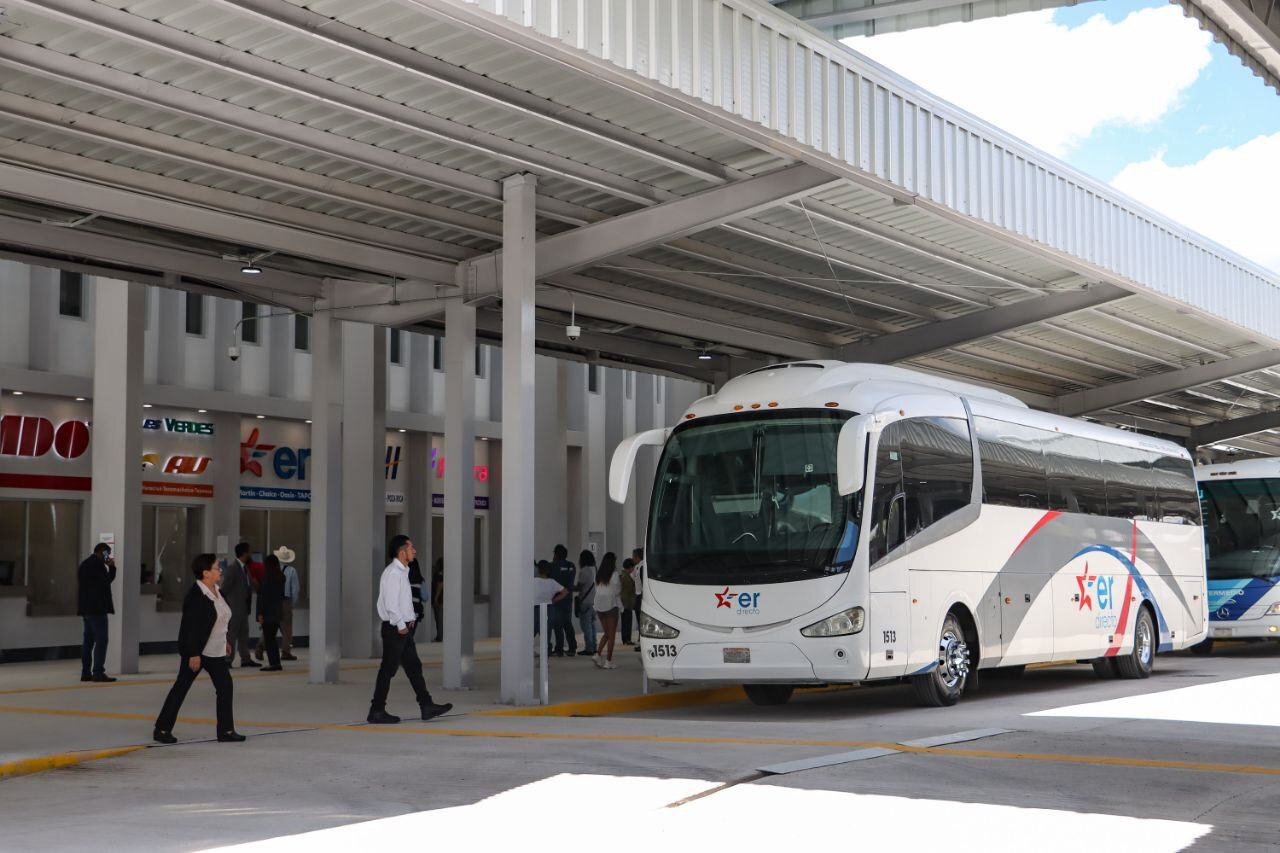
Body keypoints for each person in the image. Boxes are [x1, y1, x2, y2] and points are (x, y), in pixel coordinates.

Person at [153, 553, 245, 744]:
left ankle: (226, 731)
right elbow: (189, 628)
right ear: (206, 573)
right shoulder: (196, 596)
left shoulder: (218, 592)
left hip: (216, 652)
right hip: (197, 652)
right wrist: (193, 654)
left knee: (225, 687)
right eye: (216, 567)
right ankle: (162, 729)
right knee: (181, 688)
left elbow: (220, 620)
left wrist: (225, 642)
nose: (220, 570)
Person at [368, 535, 452, 725]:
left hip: (403, 629)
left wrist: (411, 618)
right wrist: (401, 626)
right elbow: (391, 605)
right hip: (395, 630)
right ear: (401, 551)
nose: (414, 550)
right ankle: (376, 710)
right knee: (388, 670)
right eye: (411, 547)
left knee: (414, 667)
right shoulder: (393, 573)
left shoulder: (403, 572)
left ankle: (426, 705)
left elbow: (403, 601)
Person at [77, 543, 117, 683]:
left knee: (88, 641)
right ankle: (98, 672)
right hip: (97, 609)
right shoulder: (97, 565)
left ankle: (85, 672)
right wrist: (112, 567)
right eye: (107, 553)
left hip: (86, 609)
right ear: (102, 552)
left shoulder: (84, 564)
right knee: (101, 639)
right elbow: (106, 582)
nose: (108, 556)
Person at [221, 542, 259, 668]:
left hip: (243, 608)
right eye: (249, 551)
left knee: (244, 635)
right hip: (234, 608)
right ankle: (227, 659)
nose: (250, 554)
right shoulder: (233, 568)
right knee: (231, 635)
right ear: (244, 553)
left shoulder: (245, 568)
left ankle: (245, 659)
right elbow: (224, 589)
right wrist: (228, 605)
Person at [592, 552, 623, 669]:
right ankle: (608, 661)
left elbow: (597, 589)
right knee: (611, 635)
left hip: (599, 606)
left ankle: (597, 654)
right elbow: (617, 591)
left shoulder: (598, 574)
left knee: (607, 633)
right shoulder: (614, 574)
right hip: (611, 606)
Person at [256, 555, 285, 671]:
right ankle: (276, 662)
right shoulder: (280, 577)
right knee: (272, 638)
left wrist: (260, 613)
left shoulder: (267, 578)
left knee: (269, 639)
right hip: (277, 612)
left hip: (267, 613)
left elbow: (263, 597)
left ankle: (273, 663)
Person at [548, 545, 577, 657]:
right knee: (567, 624)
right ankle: (572, 647)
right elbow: (570, 584)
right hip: (568, 599)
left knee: (557, 625)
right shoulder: (571, 566)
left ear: (555, 554)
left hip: (556, 599)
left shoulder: (552, 566)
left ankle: (559, 649)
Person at [278, 547, 300, 661]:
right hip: (286, 601)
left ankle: (260, 647)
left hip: (274, 601)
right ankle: (285, 652)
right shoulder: (292, 571)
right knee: (287, 628)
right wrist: (292, 604)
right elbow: (295, 590)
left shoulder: (274, 569)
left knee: (271, 626)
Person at [575, 550, 598, 657]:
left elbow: (580, 587)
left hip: (585, 601)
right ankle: (594, 646)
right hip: (595, 601)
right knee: (592, 624)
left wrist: (569, 588)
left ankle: (589, 648)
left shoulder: (584, 571)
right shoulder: (595, 569)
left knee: (586, 626)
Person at [620, 558, 637, 645]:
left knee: (625, 621)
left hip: (624, 602)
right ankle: (627, 639)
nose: (633, 569)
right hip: (626, 602)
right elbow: (631, 588)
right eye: (633, 567)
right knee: (627, 621)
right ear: (630, 567)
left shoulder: (623, 575)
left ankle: (625, 639)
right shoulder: (626, 576)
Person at [631, 547, 646, 650]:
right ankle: (640, 641)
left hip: (641, 595)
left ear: (637, 557)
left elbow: (643, 583)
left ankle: (642, 643)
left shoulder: (642, 567)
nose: (632, 559)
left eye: (633, 557)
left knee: (641, 621)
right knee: (640, 620)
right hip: (638, 595)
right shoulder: (638, 566)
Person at [408, 556, 427, 635]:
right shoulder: (421, 580)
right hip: (415, 611)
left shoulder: (402, 578)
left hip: (403, 611)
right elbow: (425, 597)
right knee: (410, 635)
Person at [430, 557, 444, 642]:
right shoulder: (444, 573)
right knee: (440, 619)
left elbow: (440, 585)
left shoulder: (439, 574)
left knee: (439, 619)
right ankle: (440, 636)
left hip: (439, 600)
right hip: (442, 599)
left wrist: (436, 598)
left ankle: (440, 637)